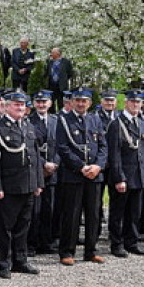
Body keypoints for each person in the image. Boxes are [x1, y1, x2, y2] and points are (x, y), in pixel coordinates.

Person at [0, 90, 42, 279]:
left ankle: (20, 260)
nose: (20, 108)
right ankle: (4, 263)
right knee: (4, 228)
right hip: (8, 186)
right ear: (7, 106)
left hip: (27, 185)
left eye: (23, 105)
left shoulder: (28, 126)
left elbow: (36, 157)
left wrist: (38, 182)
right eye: (16, 104)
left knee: (23, 226)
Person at [55, 89, 107, 265]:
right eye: (77, 100)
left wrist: (98, 166)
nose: (81, 104)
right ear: (71, 102)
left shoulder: (95, 119)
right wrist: (81, 167)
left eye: (84, 101)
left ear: (90, 103)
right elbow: (62, 148)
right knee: (72, 214)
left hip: (94, 175)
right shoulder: (64, 120)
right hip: (74, 175)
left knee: (93, 215)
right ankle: (67, 252)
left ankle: (90, 251)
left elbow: (103, 146)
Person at [106, 91, 144, 257]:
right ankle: (117, 244)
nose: (136, 105)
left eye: (138, 102)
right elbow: (114, 154)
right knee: (118, 213)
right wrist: (119, 178)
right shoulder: (117, 124)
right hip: (124, 176)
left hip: (138, 175)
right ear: (125, 103)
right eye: (132, 102)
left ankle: (131, 242)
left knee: (135, 212)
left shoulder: (141, 122)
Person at [27, 90, 59, 254]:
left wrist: (55, 164)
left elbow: (62, 145)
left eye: (44, 102)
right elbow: (28, 148)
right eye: (38, 102)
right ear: (33, 104)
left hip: (53, 171)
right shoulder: (28, 121)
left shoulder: (56, 121)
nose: (41, 105)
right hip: (36, 170)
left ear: (50, 103)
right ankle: (31, 243)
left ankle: (46, 242)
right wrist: (43, 164)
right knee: (34, 209)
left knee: (49, 208)